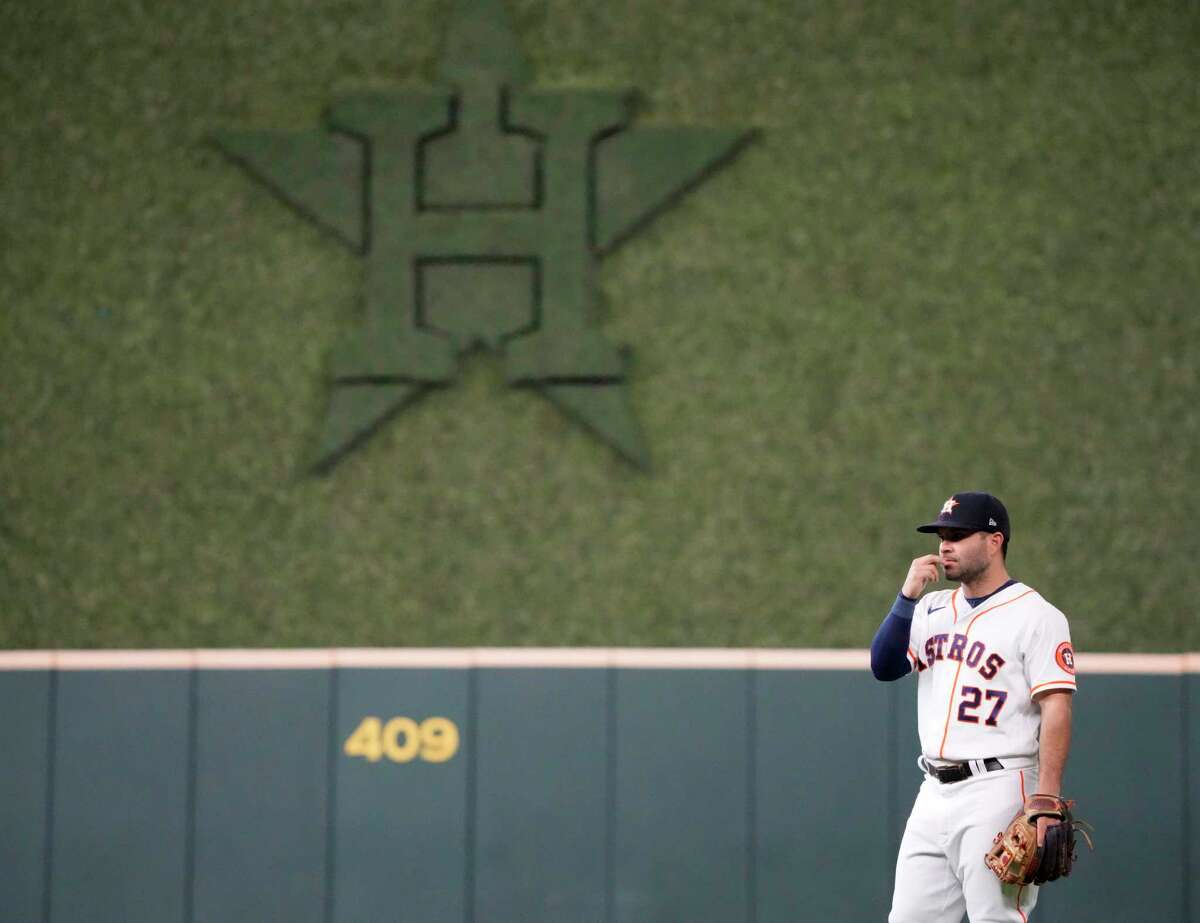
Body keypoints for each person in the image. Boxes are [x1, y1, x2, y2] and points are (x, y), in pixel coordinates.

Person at [871, 491, 1077, 923]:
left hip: (999, 786)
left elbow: (1056, 706)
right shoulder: (930, 608)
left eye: (959, 534)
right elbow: (884, 666)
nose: (945, 544)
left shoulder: (1037, 615)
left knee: (996, 918)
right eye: (942, 534)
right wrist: (906, 597)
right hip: (933, 789)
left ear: (994, 540)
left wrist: (1047, 798)